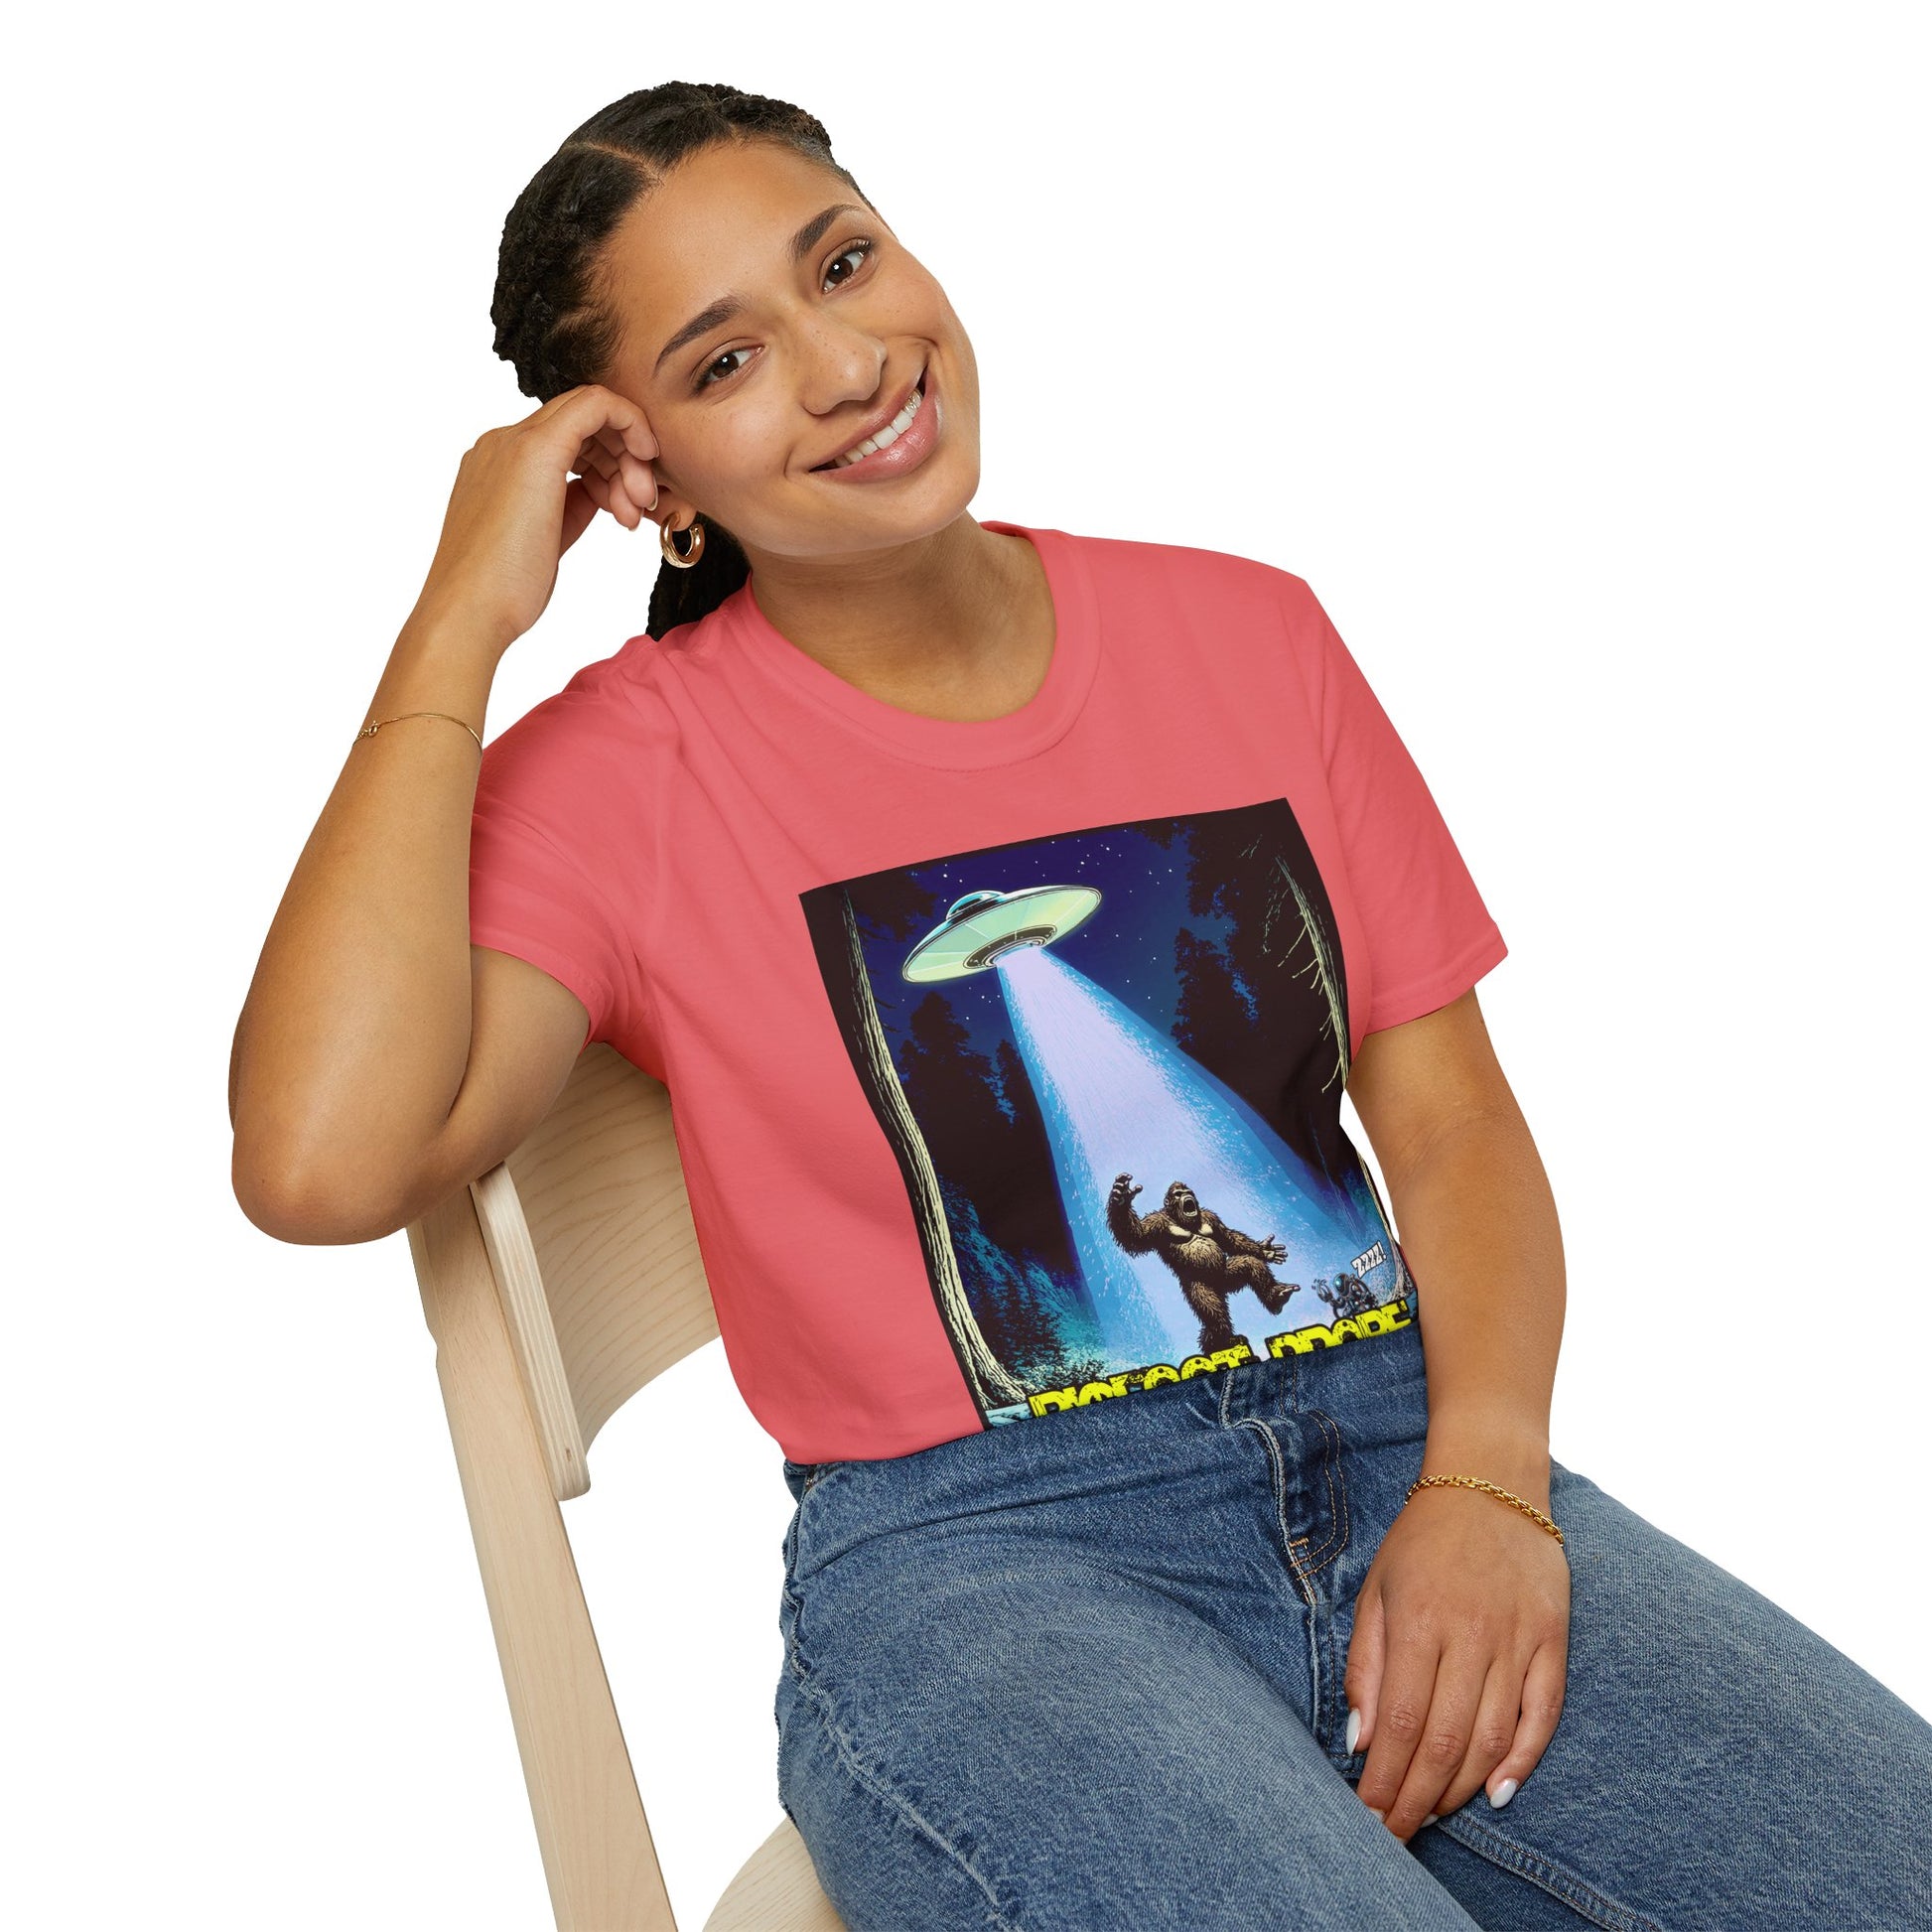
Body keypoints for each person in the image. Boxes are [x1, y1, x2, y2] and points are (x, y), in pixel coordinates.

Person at [228, 81, 1932, 1931]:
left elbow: (1450, 1126)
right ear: (649, 480)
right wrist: (457, 619)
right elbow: (320, 1161)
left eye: (843, 264)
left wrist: (1489, 1484)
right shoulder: (627, 774)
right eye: (726, 361)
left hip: (1403, 1441)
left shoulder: (1250, 633)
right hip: (986, 1566)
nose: (846, 365)